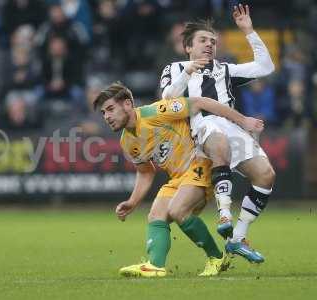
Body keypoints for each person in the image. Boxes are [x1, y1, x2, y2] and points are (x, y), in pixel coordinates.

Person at [93, 82, 264, 277]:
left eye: (110, 109)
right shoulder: (127, 141)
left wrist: (242, 120)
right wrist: (133, 202)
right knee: (156, 216)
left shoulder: (156, 111)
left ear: (127, 104)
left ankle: (216, 257)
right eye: (103, 113)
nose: (107, 117)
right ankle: (155, 266)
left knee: (177, 210)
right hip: (178, 178)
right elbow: (146, 171)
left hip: (200, 163)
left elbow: (200, 102)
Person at [159, 4, 275, 263]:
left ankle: (237, 238)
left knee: (266, 176)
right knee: (218, 140)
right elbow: (167, 98)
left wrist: (249, 31)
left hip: (231, 125)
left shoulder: (225, 69)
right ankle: (224, 213)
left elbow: (265, 67)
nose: (210, 44)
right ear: (188, 46)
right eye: (203, 40)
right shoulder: (176, 68)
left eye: (213, 41)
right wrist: (189, 70)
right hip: (200, 125)